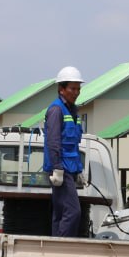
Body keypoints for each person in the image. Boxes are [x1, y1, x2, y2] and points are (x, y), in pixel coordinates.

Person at [43, 65, 85, 238]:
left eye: (78, 89)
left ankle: (56, 244)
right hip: (62, 169)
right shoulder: (56, 110)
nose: (76, 92)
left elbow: (74, 144)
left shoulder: (73, 111)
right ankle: (64, 245)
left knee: (61, 212)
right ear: (61, 89)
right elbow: (53, 141)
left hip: (70, 168)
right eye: (72, 89)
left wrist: (79, 170)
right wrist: (57, 168)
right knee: (73, 211)